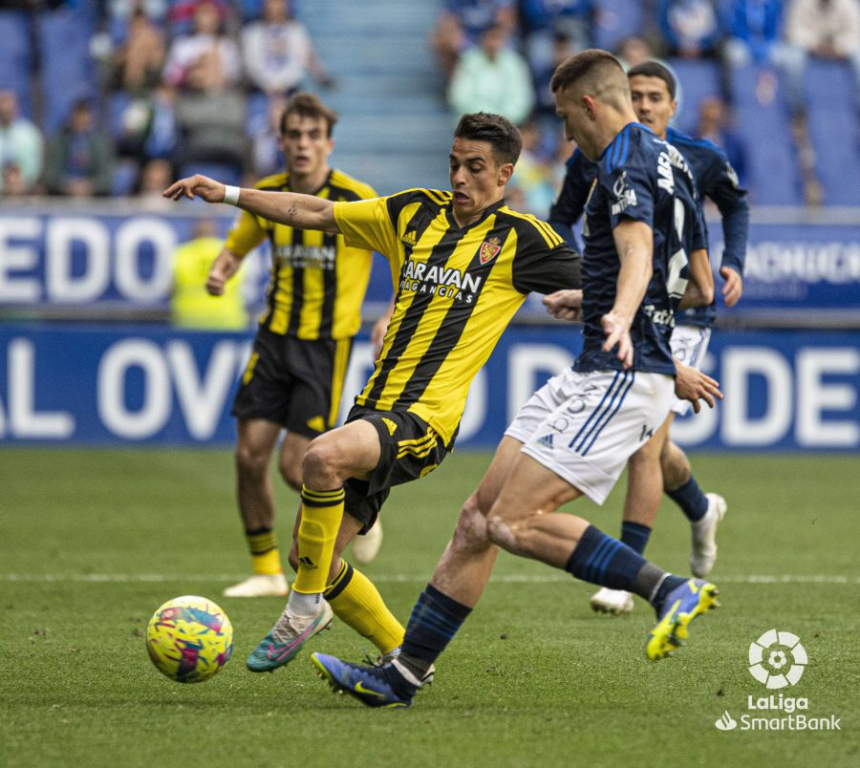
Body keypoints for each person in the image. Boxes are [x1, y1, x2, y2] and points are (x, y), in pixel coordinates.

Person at [309, 49, 722, 708]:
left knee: (509, 521)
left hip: (617, 369)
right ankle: (403, 675)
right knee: (476, 521)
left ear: (589, 105)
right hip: (601, 361)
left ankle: (667, 587)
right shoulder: (676, 161)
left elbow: (638, 249)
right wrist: (595, 299)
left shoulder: (620, 161)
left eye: (564, 117)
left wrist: (619, 313)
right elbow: (702, 284)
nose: (565, 136)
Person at [164, 110, 584, 672]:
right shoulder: (412, 211)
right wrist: (229, 194)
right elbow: (315, 211)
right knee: (313, 555)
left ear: (505, 173)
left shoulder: (525, 240)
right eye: (455, 163)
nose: (460, 177)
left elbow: (607, 286)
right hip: (374, 405)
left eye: (475, 167)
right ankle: (405, 659)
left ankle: (300, 611)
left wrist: (646, 336)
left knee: (320, 456)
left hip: (424, 419)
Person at [548, 60, 748, 616]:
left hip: (669, 314)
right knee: (656, 447)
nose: (645, 104)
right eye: (635, 95)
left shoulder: (690, 159)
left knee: (643, 444)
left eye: (655, 95)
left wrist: (734, 262)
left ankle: (626, 574)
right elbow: (561, 218)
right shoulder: (597, 159)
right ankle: (700, 507)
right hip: (632, 306)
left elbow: (705, 269)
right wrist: (590, 285)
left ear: (672, 105)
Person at [191, 93, 381, 600]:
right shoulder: (267, 194)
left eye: (312, 136)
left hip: (325, 346)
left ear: (328, 143)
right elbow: (239, 245)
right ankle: (266, 569)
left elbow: (402, 251)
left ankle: (355, 510)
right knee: (249, 457)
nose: (302, 145)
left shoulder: (354, 197)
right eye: (294, 135)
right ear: (281, 142)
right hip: (273, 339)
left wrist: (389, 315)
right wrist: (220, 270)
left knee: (293, 463)